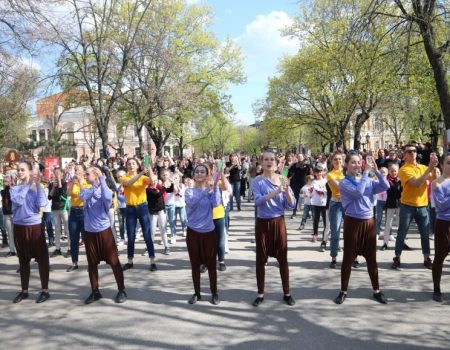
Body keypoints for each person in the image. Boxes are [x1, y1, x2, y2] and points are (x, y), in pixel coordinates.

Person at [334, 153, 389, 305]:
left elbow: (386, 186)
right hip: (353, 222)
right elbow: (358, 193)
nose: (357, 165)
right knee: (348, 258)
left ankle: (376, 290)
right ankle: (343, 291)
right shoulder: (344, 182)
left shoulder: (369, 178)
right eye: (353, 162)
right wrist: (366, 173)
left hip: (369, 222)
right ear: (346, 164)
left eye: (359, 162)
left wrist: (376, 171)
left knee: (372, 258)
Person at [252, 151, 296, 307]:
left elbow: (291, 205)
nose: (269, 162)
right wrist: (277, 191)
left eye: (272, 159)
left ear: (277, 163)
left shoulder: (282, 179)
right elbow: (258, 201)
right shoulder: (257, 181)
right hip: (263, 223)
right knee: (260, 259)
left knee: (282, 258)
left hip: (278, 222)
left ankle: (287, 293)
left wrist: (286, 192)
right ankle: (260, 293)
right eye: (266, 159)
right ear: (261, 163)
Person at [80, 167, 126, 304]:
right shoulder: (89, 189)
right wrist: (94, 184)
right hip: (89, 232)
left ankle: (121, 290)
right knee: (91, 263)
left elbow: (107, 197)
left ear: (96, 175)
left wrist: (102, 178)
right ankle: (95, 291)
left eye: (88, 174)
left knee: (114, 262)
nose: (85, 176)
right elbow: (83, 196)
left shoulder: (104, 189)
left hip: (104, 231)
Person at [391, 145, 439, 270]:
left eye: (414, 151)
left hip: (423, 206)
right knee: (402, 232)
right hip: (407, 206)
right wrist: (429, 169)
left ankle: (426, 258)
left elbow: (434, 179)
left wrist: (433, 166)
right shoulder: (403, 169)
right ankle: (397, 257)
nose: (412, 153)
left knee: (424, 234)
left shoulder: (423, 167)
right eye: (409, 151)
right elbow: (416, 184)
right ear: (404, 154)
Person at [11, 161, 50, 303]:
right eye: (18, 170)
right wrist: (29, 185)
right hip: (19, 227)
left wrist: (38, 185)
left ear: (29, 172)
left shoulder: (35, 187)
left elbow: (42, 203)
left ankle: (45, 290)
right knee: (23, 260)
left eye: (22, 170)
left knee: (42, 259)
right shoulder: (15, 189)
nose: (20, 172)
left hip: (34, 226)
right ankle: (24, 290)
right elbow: (19, 201)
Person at [185, 164, 221, 305]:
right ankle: (197, 293)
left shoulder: (211, 190)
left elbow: (217, 203)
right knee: (195, 265)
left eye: (202, 172)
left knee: (211, 265)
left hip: (209, 232)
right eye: (197, 171)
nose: (199, 173)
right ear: (194, 175)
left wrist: (215, 187)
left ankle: (214, 292)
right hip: (193, 232)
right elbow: (192, 204)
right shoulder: (189, 191)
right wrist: (207, 191)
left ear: (207, 175)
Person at [120, 158, 157, 271]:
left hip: (142, 207)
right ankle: (130, 261)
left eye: (133, 164)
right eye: (129, 164)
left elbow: (152, 180)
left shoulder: (143, 178)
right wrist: (141, 172)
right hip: (130, 208)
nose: (131, 165)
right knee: (131, 236)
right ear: (126, 166)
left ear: (137, 165)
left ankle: (152, 261)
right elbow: (129, 183)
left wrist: (149, 167)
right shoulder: (124, 178)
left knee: (147, 235)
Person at [431, 154, 450, 302]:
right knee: (439, 257)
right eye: (448, 163)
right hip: (443, 224)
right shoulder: (436, 183)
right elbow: (442, 205)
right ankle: (437, 289)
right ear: (442, 165)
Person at [66, 164, 90, 272]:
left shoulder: (87, 182)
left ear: (84, 172)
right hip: (73, 212)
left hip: (83, 211)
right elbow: (68, 194)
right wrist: (72, 182)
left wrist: (80, 181)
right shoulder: (73, 183)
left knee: (87, 239)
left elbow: (85, 195)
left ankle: (91, 262)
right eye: (75, 170)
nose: (76, 172)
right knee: (73, 239)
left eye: (79, 170)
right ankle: (74, 262)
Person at [327, 152, 345, 267]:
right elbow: (339, 187)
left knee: (351, 233)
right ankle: (334, 257)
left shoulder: (349, 172)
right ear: (332, 162)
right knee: (335, 232)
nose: (338, 161)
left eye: (340, 159)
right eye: (335, 160)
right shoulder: (330, 175)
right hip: (336, 204)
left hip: (349, 204)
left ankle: (353, 257)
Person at [48, 167, 69, 257]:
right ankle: (57, 248)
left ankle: (70, 248)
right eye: (55, 173)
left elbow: (63, 193)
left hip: (63, 208)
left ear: (62, 174)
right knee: (57, 229)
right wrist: (53, 187)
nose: (56, 175)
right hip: (55, 208)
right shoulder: (52, 184)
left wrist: (59, 182)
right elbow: (49, 197)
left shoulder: (65, 183)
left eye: (58, 173)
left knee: (67, 229)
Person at [382, 164, 402, 250]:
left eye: (395, 171)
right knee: (388, 225)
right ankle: (385, 243)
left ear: (397, 171)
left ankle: (401, 243)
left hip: (399, 205)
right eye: (392, 171)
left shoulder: (400, 180)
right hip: (390, 205)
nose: (393, 172)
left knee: (400, 225)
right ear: (389, 172)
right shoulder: (387, 180)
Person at [310, 164, 327, 248]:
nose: (319, 173)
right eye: (317, 172)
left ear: (322, 172)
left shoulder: (326, 180)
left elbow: (328, 190)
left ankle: (325, 235)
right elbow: (318, 191)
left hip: (325, 203)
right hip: (316, 203)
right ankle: (315, 234)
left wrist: (324, 191)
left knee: (325, 221)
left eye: (320, 172)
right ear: (314, 173)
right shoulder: (314, 182)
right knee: (316, 220)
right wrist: (324, 191)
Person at [1, 175, 15, 256]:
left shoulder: (14, 190)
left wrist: (12, 185)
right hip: (6, 213)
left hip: (14, 213)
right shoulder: (3, 191)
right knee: (10, 232)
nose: (6, 182)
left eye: (7, 181)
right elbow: (5, 196)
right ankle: (12, 250)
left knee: (16, 232)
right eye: (5, 181)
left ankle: (18, 249)